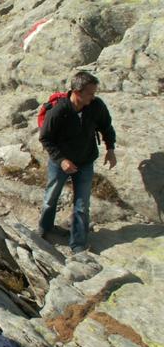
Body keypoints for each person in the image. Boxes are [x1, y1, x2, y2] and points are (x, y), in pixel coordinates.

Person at [38, 71, 116, 254]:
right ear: (77, 92)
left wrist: (110, 149)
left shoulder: (96, 106)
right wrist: (62, 160)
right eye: (90, 93)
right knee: (51, 198)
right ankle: (44, 228)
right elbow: (46, 139)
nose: (93, 96)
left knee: (82, 205)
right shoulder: (59, 111)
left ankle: (78, 244)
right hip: (60, 163)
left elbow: (106, 126)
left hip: (85, 161)